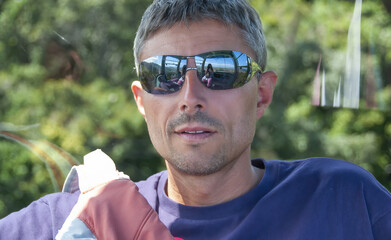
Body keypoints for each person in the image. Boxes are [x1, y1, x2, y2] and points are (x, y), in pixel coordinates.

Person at [1, 0, 391, 239]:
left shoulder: (343, 199)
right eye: (163, 75)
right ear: (141, 99)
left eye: (219, 71)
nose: (189, 98)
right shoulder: (81, 216)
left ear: (262, 93)